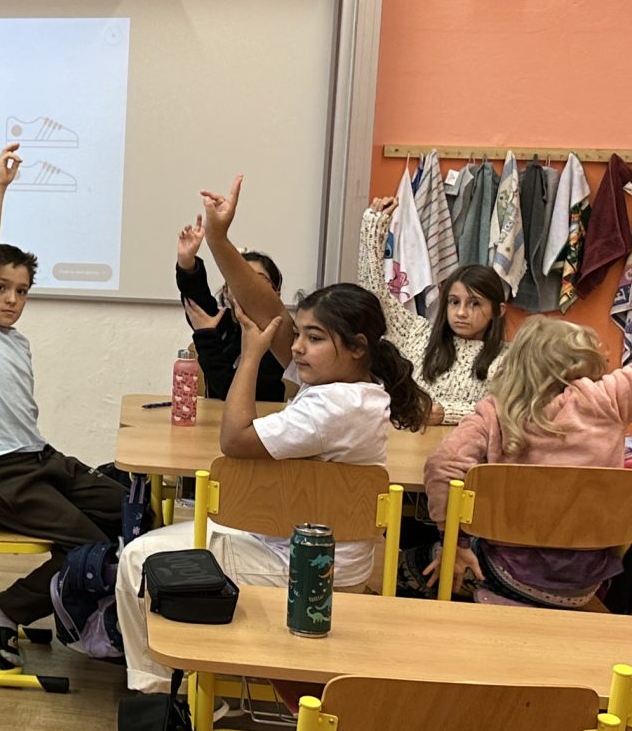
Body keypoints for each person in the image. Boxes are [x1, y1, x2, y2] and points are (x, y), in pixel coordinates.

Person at [112, 192, 432, 696]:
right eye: (299, 335)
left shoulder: (334, 406)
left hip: (305, 564)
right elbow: (269, 311)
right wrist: (219, 241)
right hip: (303, 548)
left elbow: (235, 439)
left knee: (138, 560)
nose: (298, 347)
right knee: (167, 543)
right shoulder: (353, 388)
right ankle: (184, 681)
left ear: (356, 348)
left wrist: (250, 355)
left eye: (314, 338)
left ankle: (153, 695)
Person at [423, 226, 632, 609]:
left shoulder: (493, 412)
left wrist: (454, 543)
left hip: (506, 577)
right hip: (585, 582)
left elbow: (442, 466)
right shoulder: (609, 399)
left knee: (418, 558)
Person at [0, 143, 127, 632]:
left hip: (41, 460)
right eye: (0, 287)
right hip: (3, 475)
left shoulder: (17, 343)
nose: (11, 299)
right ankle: (2, 611)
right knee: (93, 549)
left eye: (21, 291)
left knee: (130, 511)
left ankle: (80, 609)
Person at [362, 199, 509, 422]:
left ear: (498, 311)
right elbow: (374, 297)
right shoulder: (417, 334)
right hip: (404, 438)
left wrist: (445, 413)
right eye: (454, 302)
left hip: (466, 443)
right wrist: (373, 226)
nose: (461, 313)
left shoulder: (509, 359)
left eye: (474, 304)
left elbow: (507, 411)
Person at [175, 219, 286, 401]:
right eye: (237, 281)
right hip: (216, 416)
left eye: (259, 281)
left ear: (276, 293)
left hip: (261, 417)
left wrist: (207, 338)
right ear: (226, 290)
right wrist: (187, 264)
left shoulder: (280, 336)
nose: (247, 288)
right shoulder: (224, 323)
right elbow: (197, 301)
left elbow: (233, 395)